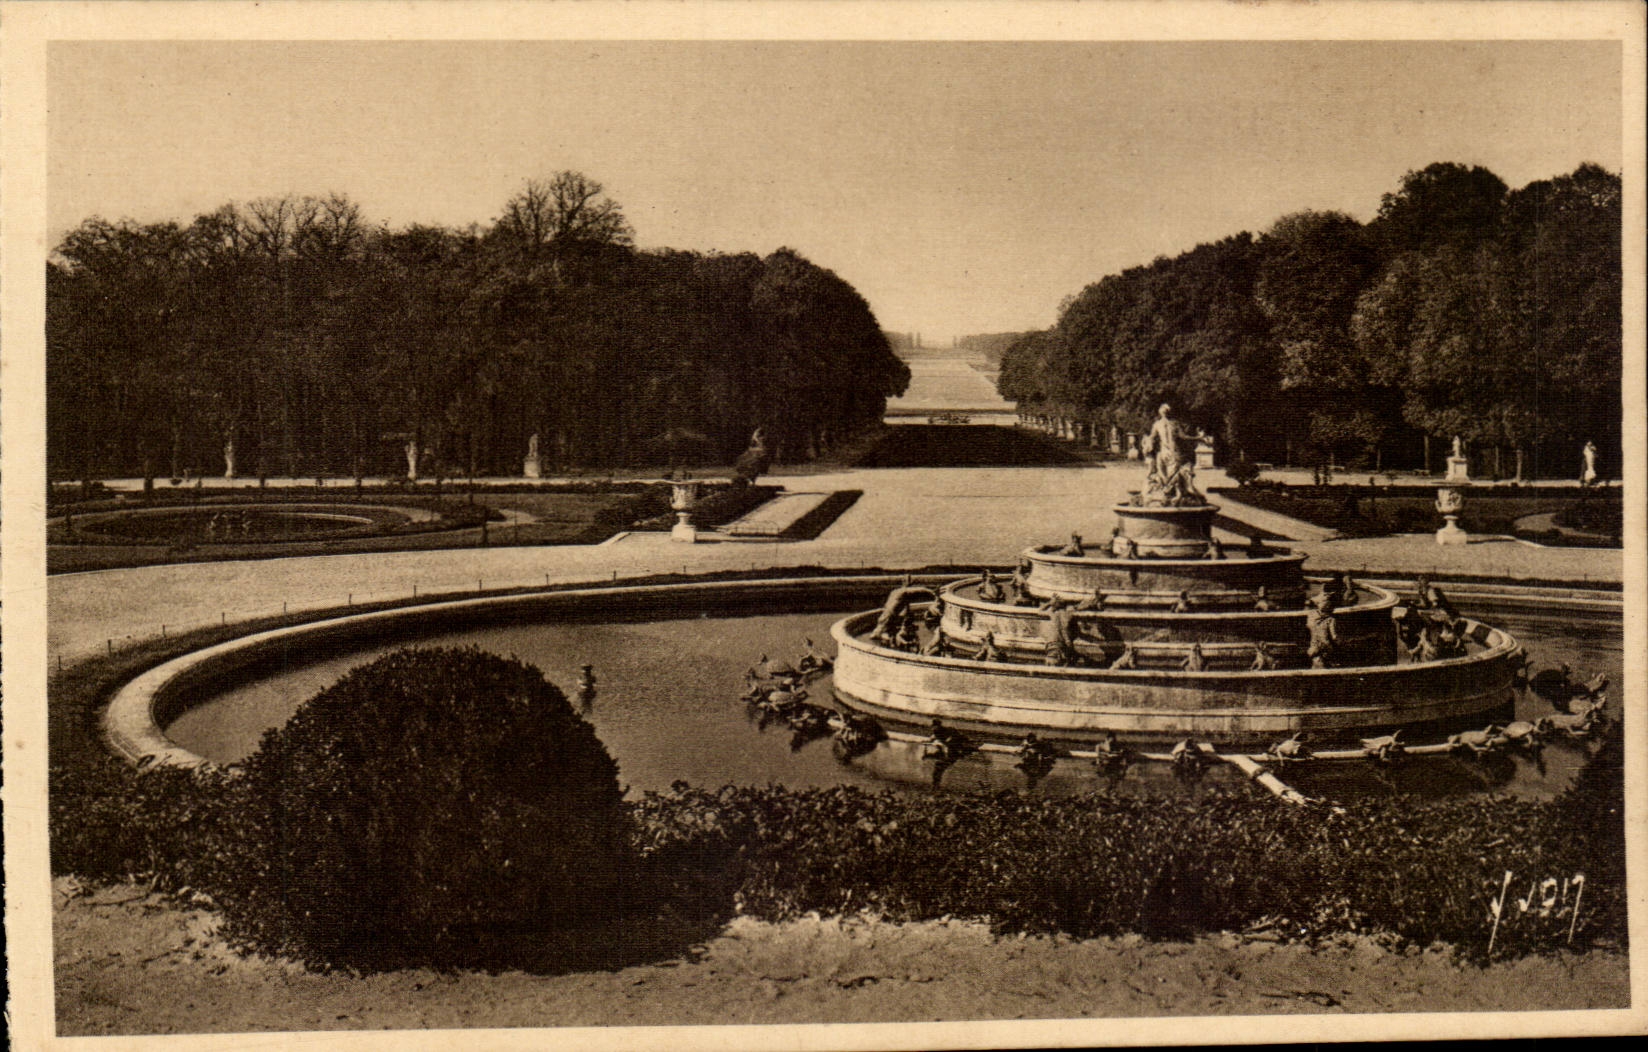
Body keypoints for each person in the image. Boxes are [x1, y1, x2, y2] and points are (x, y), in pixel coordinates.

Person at [1305, 593, 1339, 668]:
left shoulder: (1311, 615)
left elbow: (1308, 626)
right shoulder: (1331, 619)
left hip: (1314, 645)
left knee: (1316, 661)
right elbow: (1334, 636)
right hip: (1325, 645)